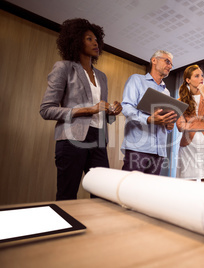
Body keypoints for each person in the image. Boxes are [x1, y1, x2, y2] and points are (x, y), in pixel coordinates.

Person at [40, 18, 122, 200]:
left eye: (96, 39)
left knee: (103, 196)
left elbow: (101, 111)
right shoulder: (64, 68)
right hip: (71, 140)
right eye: (88, 39)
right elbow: (46, 109)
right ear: (76, 41)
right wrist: (87, 110)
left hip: (99, 140)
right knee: (67, 194)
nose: (95, 43)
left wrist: (112, 111)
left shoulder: (102, 76)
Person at [121, 50, 177, 174]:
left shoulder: (166, 92)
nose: (169, 66)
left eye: (171, 64)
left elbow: (165, 125)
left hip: (159, 151)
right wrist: (148, 119)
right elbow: (126, 107)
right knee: (129, 189)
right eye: (167, 61)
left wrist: (169, 125)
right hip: (138, 148)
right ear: (154, 60)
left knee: (148, 191)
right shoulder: (136, 80)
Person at [176, 65, 204, 182]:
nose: (201, 78)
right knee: (187, 187)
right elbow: (181, 126)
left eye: (202, 75)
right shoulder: (180, 101)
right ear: (188, 80)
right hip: (188, 146)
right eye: (197, 76)